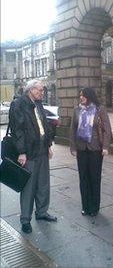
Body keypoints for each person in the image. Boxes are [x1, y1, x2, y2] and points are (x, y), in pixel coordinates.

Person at [9, 80, 57, 234]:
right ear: (31, 89)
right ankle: (25, 219)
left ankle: (42, 212)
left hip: (42, 149)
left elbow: (45, 126)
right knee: (29, 186)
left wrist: (48, 145)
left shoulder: (38, 103)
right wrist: (21, 152)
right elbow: (18, 130)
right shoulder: (19, 104)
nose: (42, 93)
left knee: (43, 183)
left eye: (43, 90)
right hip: (29, 152)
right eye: (40, 90)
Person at [70, 87, 112, 217]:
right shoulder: (76, 110)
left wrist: (105, 146)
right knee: (83, 178)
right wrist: (73, 147)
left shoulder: (100, 109)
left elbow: (107, 129)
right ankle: (85, 206)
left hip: (95, 149)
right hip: (81, 148)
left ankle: (94, 207)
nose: (80, 98)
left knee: (94, 177)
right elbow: (72, 129)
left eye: (83, 95)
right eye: (80, 95)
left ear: (89, 96)